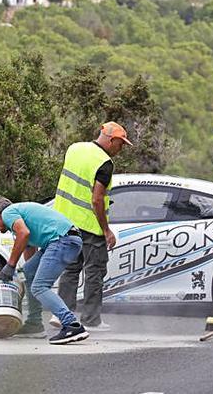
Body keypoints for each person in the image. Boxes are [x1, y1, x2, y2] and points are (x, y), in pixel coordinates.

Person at [54, 121, 131, 331]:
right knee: (94, 272)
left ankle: (64, 314)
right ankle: (91, 319)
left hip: (65, 222)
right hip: (89, 226)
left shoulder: (74, 148)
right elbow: (97, 199)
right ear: (111, 140)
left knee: (70, 269)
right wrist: (106, 230)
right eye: (120, 144)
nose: (120, 149)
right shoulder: (104, 163)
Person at [0, 196, 88, 345]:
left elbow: (24, 234)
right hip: (63, 240)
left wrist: (10, 265)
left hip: (62, 240)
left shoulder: (8, 212)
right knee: (27, 274)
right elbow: (28, 246)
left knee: (39, 287)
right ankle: (34, 324)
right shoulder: (18, 217)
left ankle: (71, 324)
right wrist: (23, 275)